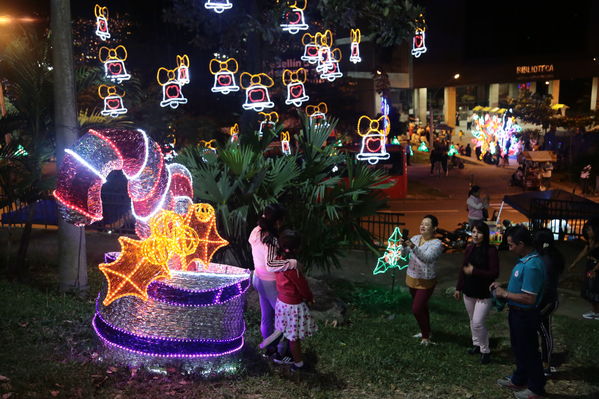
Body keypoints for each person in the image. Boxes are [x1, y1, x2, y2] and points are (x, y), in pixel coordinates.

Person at [491, 226, 546, 399]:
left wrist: (505, 294)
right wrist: (504, 285)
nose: (509, 248)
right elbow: (520, 283)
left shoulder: (532, 265)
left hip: (525, 315)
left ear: (521, 244)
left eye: (511, 245)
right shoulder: (525, 259)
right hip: (516, 312)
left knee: (529, 351)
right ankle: (519, 379)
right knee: (519, 348)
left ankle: (536, 388)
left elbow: (529, 298)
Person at [264, 229, 317, 371]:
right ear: (297, 248)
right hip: (293, 306)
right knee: (294, 338)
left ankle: (274, 350)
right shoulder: (292, 267)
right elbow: (302, 286)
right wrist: (310, 297)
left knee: (285, 332)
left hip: (282, 302)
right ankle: (298, 364)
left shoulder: (278, 262)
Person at [248, 204, 295, 362]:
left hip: (257, 278)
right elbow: (271, 264)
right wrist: (291, 263)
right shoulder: (271, 239)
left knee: (267, 316)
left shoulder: (256, 231)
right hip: (271, 282)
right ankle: (282, 353)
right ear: (278, 221)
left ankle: (270, 350)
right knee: (286, 319)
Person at [454, 221, 499, 364]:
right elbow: (463, 268)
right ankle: (476, 345)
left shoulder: (491, 250)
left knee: (478, 322)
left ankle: (485, 351)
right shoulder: (470, 248)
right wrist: (458, 288)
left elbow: (494, 273)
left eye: (479, 232)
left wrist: (475, 271)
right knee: (472, 320)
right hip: (469, 290)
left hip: (483, 291)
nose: (475, 235)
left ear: (485, 234)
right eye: (473, 232)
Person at [402, 215, 444, 345]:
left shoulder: (437, 244)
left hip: (426, 281)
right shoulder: (415, 238)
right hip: (412, 278)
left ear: (434, 228)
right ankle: (426, 331)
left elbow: (427, 258)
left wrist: (413, 247)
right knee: (422, 308)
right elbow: (404, 254)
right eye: (421, 223)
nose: (422, 226)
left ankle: (426, 337)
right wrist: (403, 246)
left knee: (416, 309)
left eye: (426, 224)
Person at [533, 228, 565, 378]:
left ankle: (547, 364)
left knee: (544, 332)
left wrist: (537, 305)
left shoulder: (546, 259)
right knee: (542, 331)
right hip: (546, 301)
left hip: (546, 302)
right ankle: (543, 360)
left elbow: (546, 286)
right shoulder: (549, 256)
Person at [568, 217, 599, 320]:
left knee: (594, 289)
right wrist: (574, 263)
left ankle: (596, 312)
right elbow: (584, 252)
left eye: (589, 229)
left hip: (595, 267)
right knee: (588, 289)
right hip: (590, 266)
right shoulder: (590, 241)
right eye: (587, 229)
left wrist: (594, 270)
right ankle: (595, 311)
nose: (587, 231)